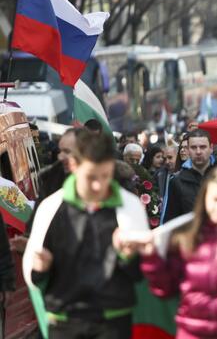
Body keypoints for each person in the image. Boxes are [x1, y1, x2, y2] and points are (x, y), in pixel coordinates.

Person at [24, 131, 149, 339]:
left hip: (113, 319)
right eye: (91, 177)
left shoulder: (130, 206)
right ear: (74, 166)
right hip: (65, 319)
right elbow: (34, 275)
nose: (99, 185)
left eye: (106, 176)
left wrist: (127, 257)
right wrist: (40, 268)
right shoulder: (51, 207)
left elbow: (141, 276)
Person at [140, 167, 217, 339]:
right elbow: (165, 288)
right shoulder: (187, 236)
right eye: (215, 199)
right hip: (191, 331)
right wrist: (151, 259)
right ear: (204, 199)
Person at [162, 129, 216, 223]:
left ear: (211, 148)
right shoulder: (177, 181)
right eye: (193, 147)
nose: (198, 151)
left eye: (203, 147)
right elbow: (171, 221)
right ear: (188, 150)